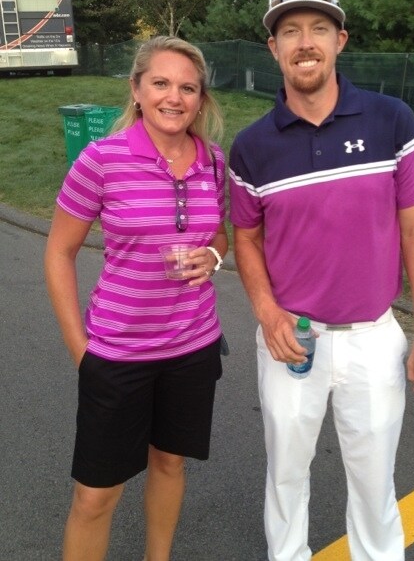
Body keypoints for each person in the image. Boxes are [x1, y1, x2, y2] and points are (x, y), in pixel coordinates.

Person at [229, 0, 414, 561]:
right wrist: (267, 312)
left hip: (373, 338)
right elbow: (245, 237)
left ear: (340, 40)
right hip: (291, 338)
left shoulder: (391, 120)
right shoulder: (252, 146)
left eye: (319, 29)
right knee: (285, 476)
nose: (305, 42)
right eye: (290, 32)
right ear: (273, 48)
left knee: (375, 485)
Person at [44, 36, 228, 561]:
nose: (174, 97)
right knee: (95, 496)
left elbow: (219, 235)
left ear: (200, 98)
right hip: (118, 353)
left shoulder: (214, 162)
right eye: (161, 83)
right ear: (137, 90)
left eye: (188, 88)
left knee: (170, 463)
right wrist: (81, 350)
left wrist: (214, 256)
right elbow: (59, 253)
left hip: (193, 347)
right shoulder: (101, 160)